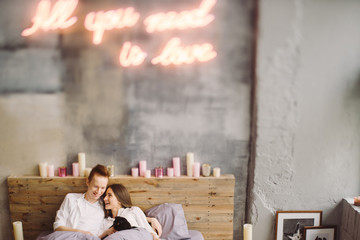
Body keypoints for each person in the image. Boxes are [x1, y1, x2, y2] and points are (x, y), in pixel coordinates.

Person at [53, 164, 109, 236]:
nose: (98, 191)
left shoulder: (104, 207)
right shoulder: (71, 199)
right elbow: (57, 227)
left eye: (102, 188)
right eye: (96, 186)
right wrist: (80, 232)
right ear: (88, 182)